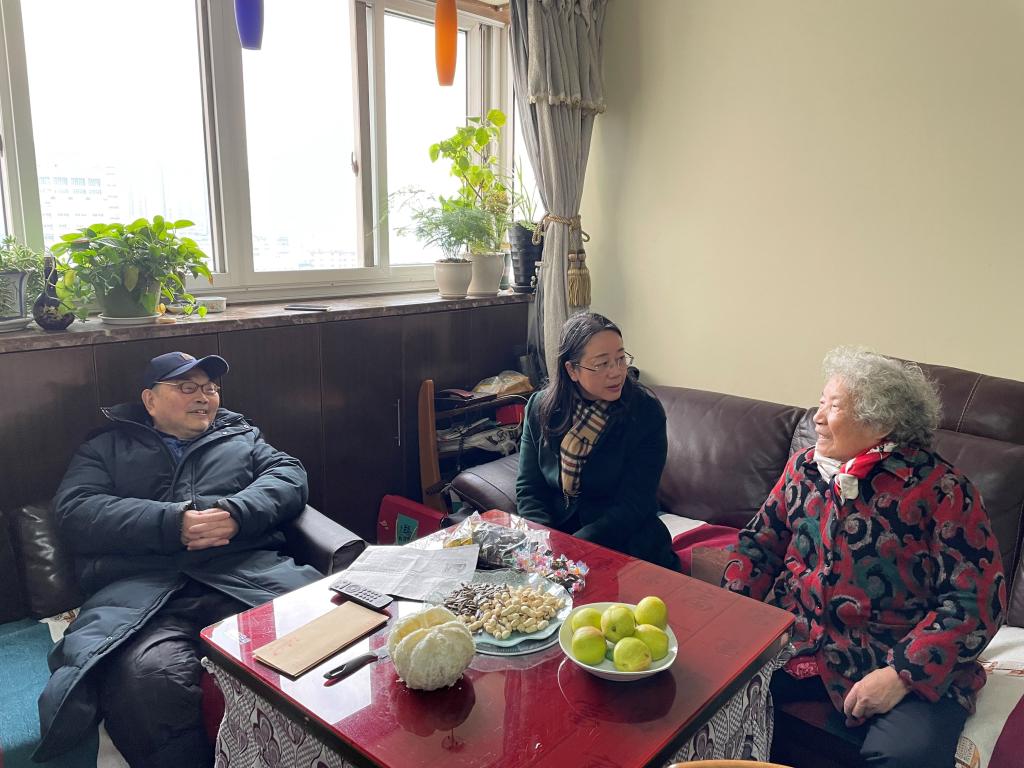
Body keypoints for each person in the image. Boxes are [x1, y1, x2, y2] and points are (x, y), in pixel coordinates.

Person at [34, 351, 322, 767]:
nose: (203, 396)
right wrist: (171, 524)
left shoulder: (241, 437)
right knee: (146, 682)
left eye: (210, 388)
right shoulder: (105, 448)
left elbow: (289, 476)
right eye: (187, 387)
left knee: (321, 636)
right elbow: (76, 511)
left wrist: (238, 512)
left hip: (243, 577)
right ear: (149, 400)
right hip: (144, 597)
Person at [723, 347, 1007, 768]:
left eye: (834, 407)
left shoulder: (943, 490)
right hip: (799, 640)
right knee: (708, 697)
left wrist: (901, 675)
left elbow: (976, 602)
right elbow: (758, 545)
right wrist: (737, 619)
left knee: (906, 756)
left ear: (880, 424)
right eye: (820, 402)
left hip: (896, 652)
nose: (817, 417)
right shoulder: (804, 469)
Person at [516, 312, 678, 570]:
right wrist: (544, 541)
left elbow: (636, 503)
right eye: (602, 364)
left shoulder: (645, 412)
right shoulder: (540, 408)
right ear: (572, 370)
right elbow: (529, 488)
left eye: (620, 359)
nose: (616, 372)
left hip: (626, 540)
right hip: (556, 540)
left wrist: (574, 547)